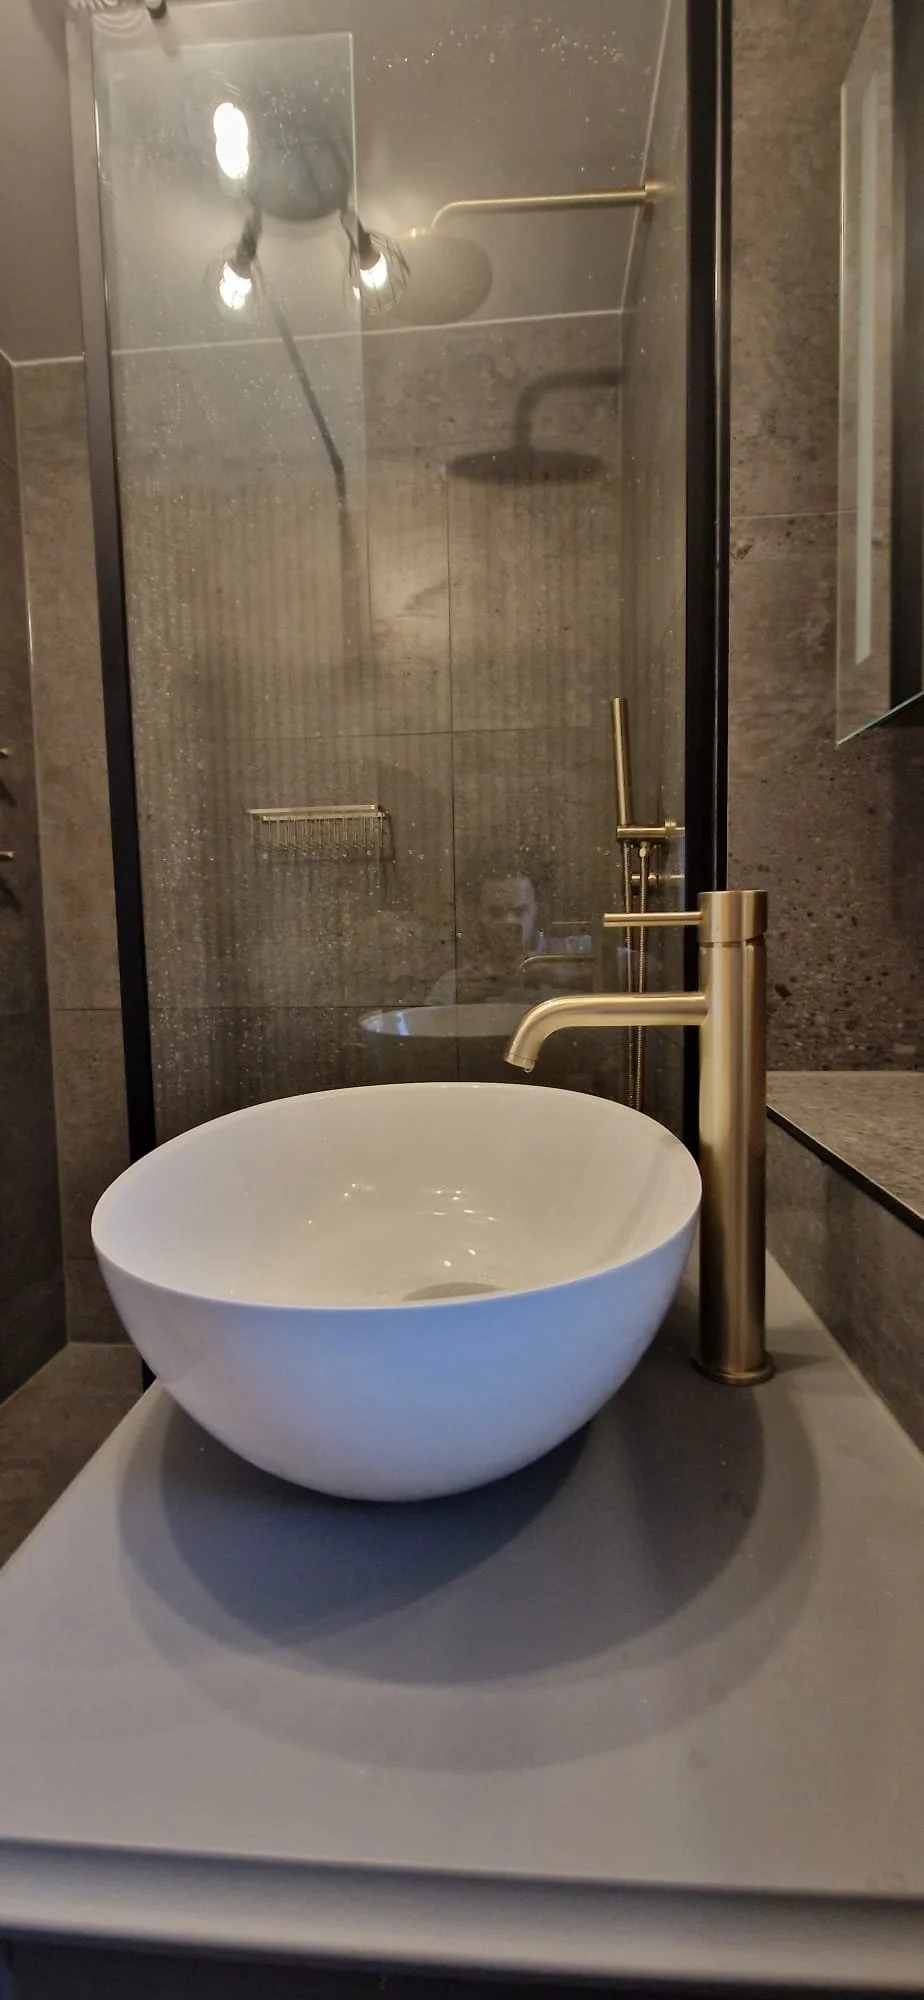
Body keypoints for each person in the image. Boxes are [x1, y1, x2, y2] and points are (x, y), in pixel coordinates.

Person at [427, 864, 594, 1007]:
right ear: (479, 915)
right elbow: (425, 1037)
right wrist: (458, 1009)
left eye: (520, 911)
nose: (508, 922)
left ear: (536, 909)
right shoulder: (458, 983)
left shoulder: (576, 952)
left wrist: (558, 975)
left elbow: (618, 973)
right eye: (495, 913)